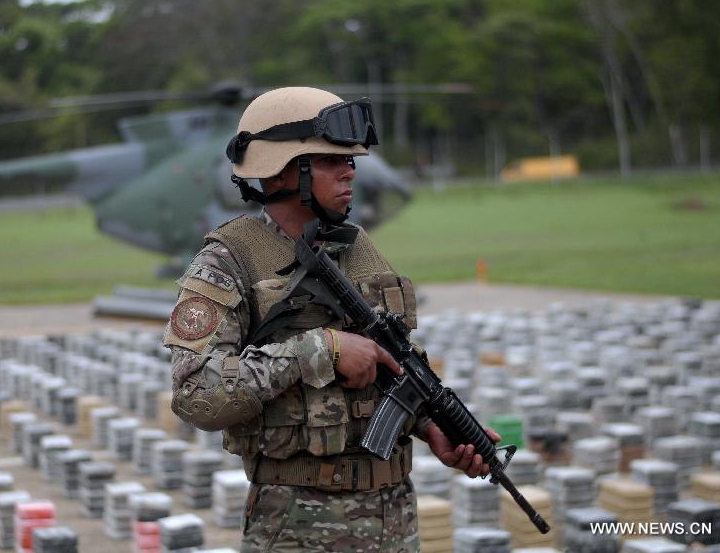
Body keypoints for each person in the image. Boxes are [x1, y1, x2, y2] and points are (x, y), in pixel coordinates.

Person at [166, 87, 500, 551]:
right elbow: (195, 396)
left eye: (351, 161)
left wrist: (432, 424)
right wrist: (320, 350)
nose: (350, 171)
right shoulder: (228, 262)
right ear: (284, 171)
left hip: (394, 520)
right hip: (297, 524)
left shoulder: (357, 247)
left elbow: (393, 360)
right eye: (329, 160)